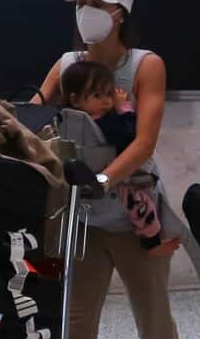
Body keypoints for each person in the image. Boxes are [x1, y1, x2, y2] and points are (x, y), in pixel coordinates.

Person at [35, 0, 189, 339]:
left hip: (133, 215)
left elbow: (144, 142)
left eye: (96, 5)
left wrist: (102, 181)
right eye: (81, 3)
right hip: (81, 224)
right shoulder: (65, 65)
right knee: (75, 334)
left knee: (153, 322)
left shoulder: (146, 66)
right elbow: (34, 117)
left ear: (119, 13)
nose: (86, 14)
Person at [59, 60, 165, 254]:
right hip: (116, 185)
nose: (107, 101)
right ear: (75, 100)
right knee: (143, 205)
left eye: (109, 94)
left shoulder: (66, 120)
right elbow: (130, 136)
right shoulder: (104, 121)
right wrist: (124, 108)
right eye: (98, 95)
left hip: (83, 191)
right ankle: (152, 239)